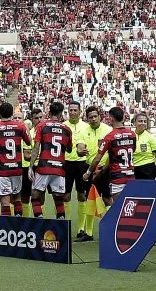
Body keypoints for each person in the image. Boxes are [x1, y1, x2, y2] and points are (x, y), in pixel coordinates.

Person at [29, 101, 72, 218]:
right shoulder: (67, 129)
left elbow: (36, 147)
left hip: (44, 167)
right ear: (61, 114)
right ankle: (61, 226)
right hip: (59, 168)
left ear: (49, 112)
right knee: (59, 199)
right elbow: (69, 149)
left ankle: (40, 221)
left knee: (35, 196)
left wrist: (31, 167)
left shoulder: (42, 126)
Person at [86, 107, 135, 208]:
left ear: (111, 118)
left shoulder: (110, 137)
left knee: (118, 209)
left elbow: (97, 158)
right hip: (131, 176)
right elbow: (133, 150)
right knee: (129, 209)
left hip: (118, 178)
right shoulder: (132, 134)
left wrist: (88, 173)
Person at [0, 102, 31, 216]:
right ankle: (18, 224)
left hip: (2, 169)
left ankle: (7, 228)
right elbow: (29, 142)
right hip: (16, 168)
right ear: (12, 113)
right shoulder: (20, 126)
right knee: (17, 198)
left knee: (5, 202)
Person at [79, 105, 112, 241]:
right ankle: (88, 232)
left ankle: (111, 228)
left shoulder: (108, 130)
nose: (93, 119)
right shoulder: (84, 131)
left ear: (100, 116)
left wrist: (103, 168)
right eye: (90, 117)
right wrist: (80, 150)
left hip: (105, 168)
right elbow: (79, 147)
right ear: (87, 118)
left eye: (95, 116)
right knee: (90, 199)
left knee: (107, 198)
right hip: (89, 168)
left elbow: (112, 153)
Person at [64, 101, 92, 240]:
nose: (73, 112)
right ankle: (66, 226)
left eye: (75, 110)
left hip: (82, 164)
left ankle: (81, 228)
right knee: (66, 195)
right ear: (67, 111)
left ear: (80, 112)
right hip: (66, 163)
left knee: (82, 195)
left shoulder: (86, 127)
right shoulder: (63, 126)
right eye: (71, 110)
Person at [20, 107, 42, 216]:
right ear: (32, 119)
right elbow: (27, 155)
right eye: (36, 118)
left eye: (41, 117)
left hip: (42, 167)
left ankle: (40, 219)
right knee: (25, 195)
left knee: (40, 195)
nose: (39, 120)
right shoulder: (29, 134)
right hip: (28, 167)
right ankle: (26, 220)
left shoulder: (47, 131)